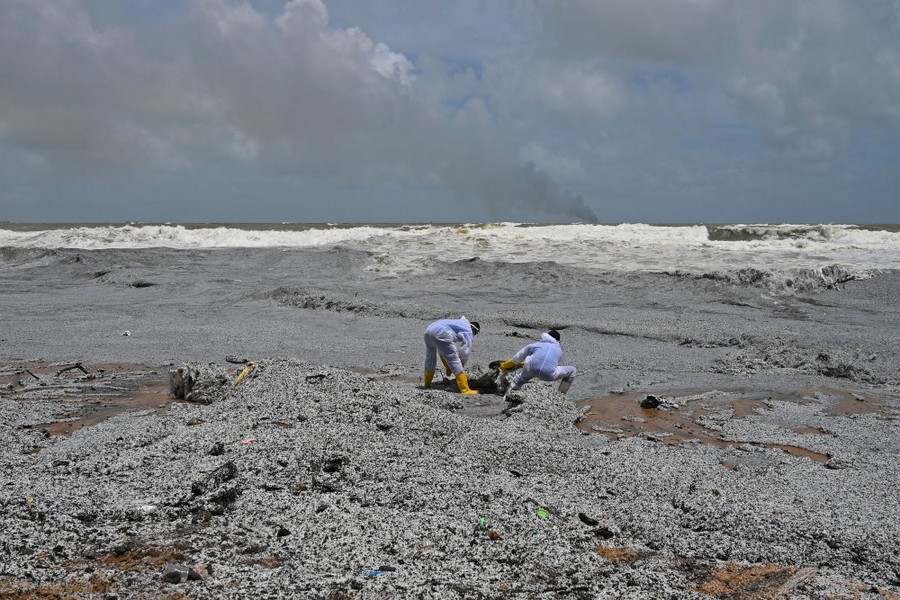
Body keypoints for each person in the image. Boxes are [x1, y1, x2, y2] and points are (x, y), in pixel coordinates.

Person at [499, 330, 576, 392]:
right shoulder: (559, 351)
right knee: (572, 370)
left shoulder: (536, 344)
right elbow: (550, 363)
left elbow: (517, 358)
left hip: (530, 369)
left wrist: (504, 366)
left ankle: (510, 390)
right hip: (548, 374)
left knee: (520, 379)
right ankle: (561, 394)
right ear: (558, 341)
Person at [423, 316, 480, 395]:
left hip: (429, 330)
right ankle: (465, 389)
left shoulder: (460, 323)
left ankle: (427, 384)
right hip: (442, 332)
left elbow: (442, 349)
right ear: (474, 329)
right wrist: (461, 364)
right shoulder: (469, 330)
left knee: (430, 357)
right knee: (454, 360)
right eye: (476, 333)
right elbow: (465, 351)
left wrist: (448, 367)